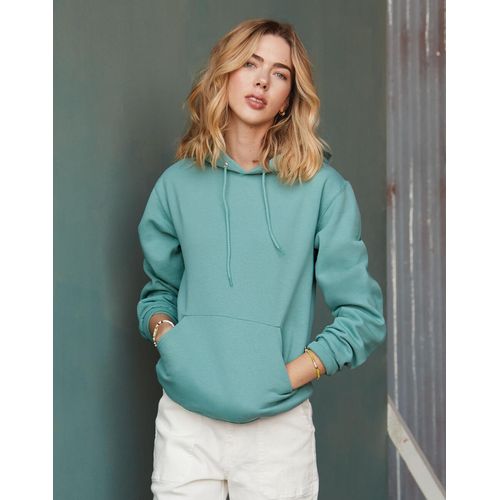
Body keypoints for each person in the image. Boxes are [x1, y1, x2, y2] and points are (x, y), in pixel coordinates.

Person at [137, 18, 386, 500]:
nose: (262, 81)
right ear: (225, 73)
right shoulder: (177, 185)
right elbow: (158, 292)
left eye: (279, 73)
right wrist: (170, 339)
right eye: (250, 64)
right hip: (186, 424)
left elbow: (363, 317)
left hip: (277, 431)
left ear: (289, 96)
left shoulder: (323, 190)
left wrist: (285, 377)